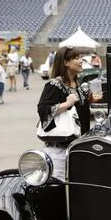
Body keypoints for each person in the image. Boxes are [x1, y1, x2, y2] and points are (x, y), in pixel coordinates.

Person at [37, 46, 90, 181]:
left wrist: (90, 99)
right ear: (66, 62)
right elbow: (43, 109)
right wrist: (67, 104)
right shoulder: (54, 84)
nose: (81, 60)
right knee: (58, 188)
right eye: (77, 58)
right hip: (59, 150)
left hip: (77, 148)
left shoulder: (76, 83)